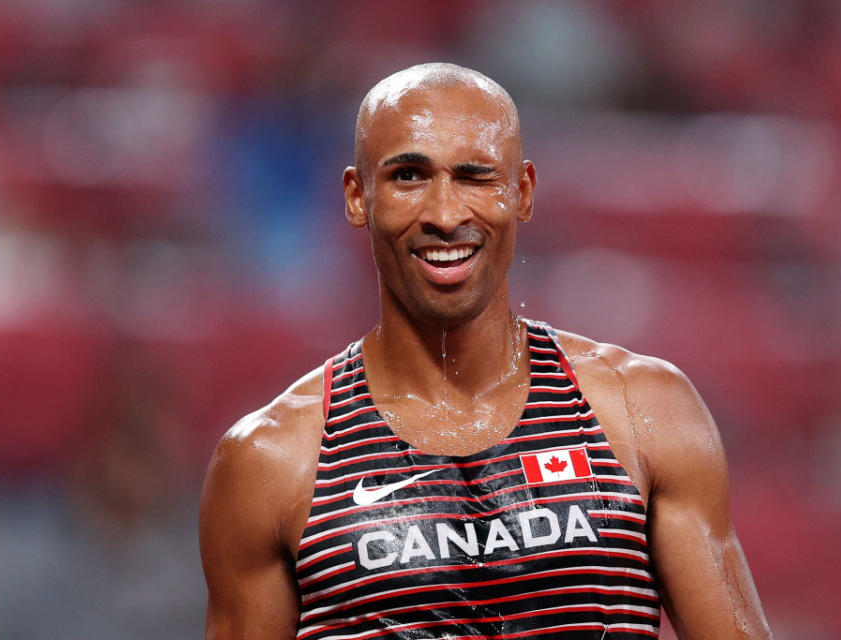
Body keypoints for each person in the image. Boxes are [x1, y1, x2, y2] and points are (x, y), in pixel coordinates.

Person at [199, 63, 773, 640]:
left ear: (521, 192)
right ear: (357, 196)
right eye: (408, 176)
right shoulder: (269, 463)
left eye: (475, 177)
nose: (445, 215)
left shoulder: (646, 413)